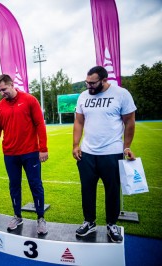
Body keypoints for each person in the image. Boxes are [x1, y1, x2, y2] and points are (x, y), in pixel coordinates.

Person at [73, 66, 136, 243]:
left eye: (92, 83)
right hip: (87, 153)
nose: (89, 86)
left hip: (112, 152)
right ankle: (89, 221)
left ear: (104, 80)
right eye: (87, 82)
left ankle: (111, 224)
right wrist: (76, 145)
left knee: (112, 190)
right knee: (87, 189)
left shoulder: (121, 94)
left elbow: (129, 122)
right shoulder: (83, 96)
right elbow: (79, 121)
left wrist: (126, 147)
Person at [0, 74, 49, 235]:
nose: (2, 93)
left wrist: (43, 148)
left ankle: (41, 218)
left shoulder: (29, 100)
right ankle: (17, 216)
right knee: (14, 185)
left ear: (12, 85)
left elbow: (39, 124)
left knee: (35, 185)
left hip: (30, 152)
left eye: (4, 89)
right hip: (10, 154)